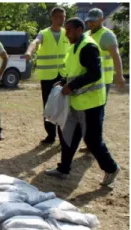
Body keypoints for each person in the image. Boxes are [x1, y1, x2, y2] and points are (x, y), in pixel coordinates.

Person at [45, 17, 120, 186]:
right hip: (76, 102)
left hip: (91, 104)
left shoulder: (88, 47)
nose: (67, 34)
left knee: (93, 140)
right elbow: (75, 71)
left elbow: (95, 74)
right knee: (67, 136)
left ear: (79, 29)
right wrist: (64, 81)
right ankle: (63, 169)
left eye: (69, 30)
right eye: (66, 30)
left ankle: (111, 168)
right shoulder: (74, 48)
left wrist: (71, 85)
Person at [79, 8, 126, 153]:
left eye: (93, 21)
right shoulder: (86, 35)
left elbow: (115, 55)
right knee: (87, 113)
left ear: (101, 19)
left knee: (97, 114)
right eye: (89, 21)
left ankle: (94, 144)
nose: (91, 23)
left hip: (102, 82)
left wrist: (119, 75)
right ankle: (90, 143)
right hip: (88, 81)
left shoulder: (106, 35)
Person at [25, 7, 69, 145]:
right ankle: (51, 135)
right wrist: (29, 52)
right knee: (49, 106)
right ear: (53, 18)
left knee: (64, 107)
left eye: (64, 17)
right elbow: (35, 42)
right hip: (48, 76)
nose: (62, 19)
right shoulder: (44, 33)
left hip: (64, 76)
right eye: (59, 17)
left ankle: (64, 137)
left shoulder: (67, 33)